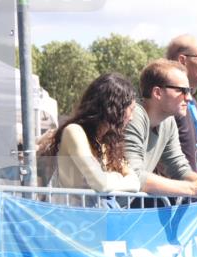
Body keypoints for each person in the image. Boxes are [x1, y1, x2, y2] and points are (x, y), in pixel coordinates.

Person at [124, 60, 197, 199]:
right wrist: (194, 189)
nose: (189, 98)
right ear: (157, 93)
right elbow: (133, 175)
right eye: (182, 90)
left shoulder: (168, 121)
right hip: (103, 208)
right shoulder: (134, 116)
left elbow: (179, 169)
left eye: (189, 91)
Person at [39, 73, 140, 202]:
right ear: (114, 108)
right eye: (130, 109)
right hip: (69, 213)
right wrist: (118, 177)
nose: (131, 117)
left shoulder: (108, 143)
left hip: (92, 213)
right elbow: (100, 183)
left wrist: (107, 179)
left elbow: (135, 183)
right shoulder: (74, 131)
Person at [166, 34, 197, 173]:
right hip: (176, 185)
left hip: (193, 184)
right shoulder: (166, 102)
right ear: (183, 60)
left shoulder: (192, 103)